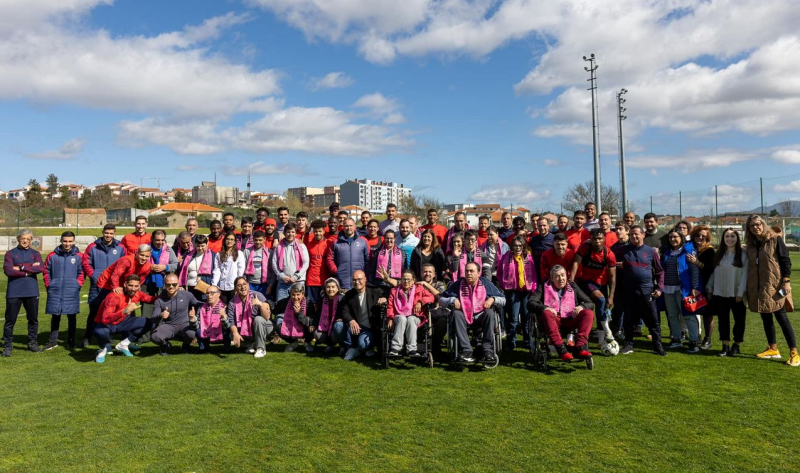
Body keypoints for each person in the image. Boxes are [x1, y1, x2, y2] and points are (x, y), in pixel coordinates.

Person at [744, 215, 798, 366]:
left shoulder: (775, 239)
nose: (756, 227)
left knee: (782, 318)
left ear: (763, 224)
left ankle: (794, 352)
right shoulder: (751, 244)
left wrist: (786, 281)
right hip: (759, 287)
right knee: (766, 317)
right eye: (752, 225)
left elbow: (785, 260)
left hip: (776, 286)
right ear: (749, 229)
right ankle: (773, 348)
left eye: (758, 224)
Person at [440, 261, 505, 364]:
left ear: (478, 273)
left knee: (490, 313)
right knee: (456, 314)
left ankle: (487, 350)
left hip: (481, 316)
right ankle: (467, 351)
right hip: (464, 317)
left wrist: (492, 299)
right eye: (467, 271)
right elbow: (441, 299)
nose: (469, 273)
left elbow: (503, 299)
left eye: (471, 271)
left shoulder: (486, 284)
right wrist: (452, 300)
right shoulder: (458, 284)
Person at [527, 265, 595, 361]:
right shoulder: (544, 286)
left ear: (566, 276)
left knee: (588, 313)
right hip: (553, 320)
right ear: (552, 278)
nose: (561, 279)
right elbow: (530, 303)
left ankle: (579, 347)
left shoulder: (573, 286)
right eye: (557, 276)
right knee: (546, 313)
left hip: (570, 319)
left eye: (563, 275)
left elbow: (590, 303)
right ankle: (561, 350)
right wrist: (545, 308)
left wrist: (581, 307)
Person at [618, 226, 666, 356]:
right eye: (632, 234)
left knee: (653, 320)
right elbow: (609, 255)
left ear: (643, 235)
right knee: (628, 319)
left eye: (636, 234)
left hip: (646, 290)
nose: (634, 237)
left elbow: (660, 271)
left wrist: (659, 288)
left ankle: (657, 345)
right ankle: (628, 344)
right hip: (629, 290)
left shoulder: (651, 251)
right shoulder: (623, 250)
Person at [93, 274, 156, 363]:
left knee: (150, 323)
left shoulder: (137, 293)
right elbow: (105, 319)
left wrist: (170, 294)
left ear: (139, 286)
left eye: (136, 286)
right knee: (101, 332)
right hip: (105, 325)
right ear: (125, 284)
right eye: (130, 285)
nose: (133, 288)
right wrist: (124, 311)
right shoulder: (114, 296)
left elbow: (151, 299)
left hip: (121, 323)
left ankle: (124, 344)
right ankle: (102, 350)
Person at [81, 224, 125, 348]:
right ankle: (87, 337)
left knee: (110, 312)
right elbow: (86, 263)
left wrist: (117, 281)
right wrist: (94, 276)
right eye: (106, 233)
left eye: (111, 233)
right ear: (102, 232)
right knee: (93, 312)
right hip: (97, 285)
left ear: (114, 233)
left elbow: (123, 264)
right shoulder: (93, 247)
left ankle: (108, 337)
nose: (108, 235)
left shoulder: (120, 247)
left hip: (113, 286)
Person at [570, 228, 617, 345]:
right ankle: (606, 330)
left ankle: (601, 340)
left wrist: (611, 297)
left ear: (604, 239)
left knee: (603, 307)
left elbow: (612, 278)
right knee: (600, 300)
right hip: (586, 282)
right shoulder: (585, 248)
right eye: (594, 238)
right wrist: (571, 281)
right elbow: (576, 263)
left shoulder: (609, 254)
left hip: (602, 284)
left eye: (600, 238)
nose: (597, 241)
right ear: (590, 239)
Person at [707, 228, 748, 357]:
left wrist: (740, 293)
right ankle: (725, 345)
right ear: (723, 239)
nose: (729, 239)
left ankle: (737, 344)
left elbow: (745, 275)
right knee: (723, 320)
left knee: (739, 320)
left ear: (737, 238)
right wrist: (710, 286)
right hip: (720, 293)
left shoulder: (743, 254)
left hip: (736, 294)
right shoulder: (719, 254)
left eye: (732, 236)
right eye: (727, 237)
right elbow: (714, 272)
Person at [660, 228, 702, 353]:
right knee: (672, 316)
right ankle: (676, 340)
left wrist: (694, 287)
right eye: (671, 237)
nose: (673, 239)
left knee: (689, 315)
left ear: (681, 238)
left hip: (684, 289)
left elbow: (694, 270)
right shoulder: (666, 253)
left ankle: (694, 342)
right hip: (668, 289)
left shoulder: (688, 251)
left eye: (675, 237)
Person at [43, 231, 84, 350]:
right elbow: (46, 271)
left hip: (71, 290)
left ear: (74, 241)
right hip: (55, 290)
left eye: (70, 241)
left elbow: (82, 272)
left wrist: (77, 284)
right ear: (61, 240)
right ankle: (53, 341)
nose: (67, 244)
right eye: (65, 241)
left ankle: (71, 341)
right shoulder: (52, 255)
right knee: (55, 315)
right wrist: (49, 284)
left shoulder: (79, 256)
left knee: (72, 316)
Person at [497, 236, 537, 350]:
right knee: (513, 318)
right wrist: (503, 284)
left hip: (525, 291)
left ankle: (527, 341)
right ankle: (511, 342)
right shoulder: (506, 257)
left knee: (526, 317)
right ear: (512, 247)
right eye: (515, 245)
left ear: (524, 246)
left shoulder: (528, 258)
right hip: (513, 291)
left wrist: (533, 288)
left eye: (520, 245)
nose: (518, 248)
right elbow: (500, 272)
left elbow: (533, 274)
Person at [340, 270, 386, 361]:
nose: (357, 282)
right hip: (356, 327)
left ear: (365, 279)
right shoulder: (349, 295)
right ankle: (350, 348)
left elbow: (390, 293)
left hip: (370, 328)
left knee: (362, 344)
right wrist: (351, 320)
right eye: (354, 280)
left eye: (359, 279)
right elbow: (344, 311)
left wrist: (385, 298)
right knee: (338, 327)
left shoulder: (375, 291)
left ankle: (365, 348)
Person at [387, 270, 434, 357]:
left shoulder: (419, 288)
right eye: (404, 279)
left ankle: (412, 349)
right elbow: (390, 306)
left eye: (409, 279)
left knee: (411, 319)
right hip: (398, 316)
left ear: (413, 281)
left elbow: (431, 297)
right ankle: (395, 348)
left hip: (415, 316)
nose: (406, 281)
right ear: (401, 280)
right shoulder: (394, 290)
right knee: (402, 318)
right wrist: (390, 318)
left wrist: (420, 301)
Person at [151, 274, 200, 355]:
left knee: (192, 334)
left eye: (174, 284)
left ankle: (186, 345)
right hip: (168, 325)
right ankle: (165, 344)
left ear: (178, 284)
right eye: (168, 284)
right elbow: (153, 319)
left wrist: (212, 301)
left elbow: (198, 303)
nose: (171, 286)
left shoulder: (187, 295)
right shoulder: (159, 300)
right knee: (155, 337)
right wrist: (161, 315)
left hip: (184, 324)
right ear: (164, 284)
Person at [227, 276, 275, 358]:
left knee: (258, 319)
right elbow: (231, 321)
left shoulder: (258, 295)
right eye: (239, 285)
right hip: (246, 331)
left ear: (248, 285)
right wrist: (235, 333)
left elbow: (267, 317)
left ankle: (261, 349)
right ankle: (253, 344)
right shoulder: (232, 303)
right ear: (235, 289)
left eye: (244, 284)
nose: (242, 287)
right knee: (232, 335)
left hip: (265, 327)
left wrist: (260, 304)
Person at [687, 225, 715, 349]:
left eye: (703, 236)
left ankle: (707, 339)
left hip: (706, 285)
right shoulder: (690, 248)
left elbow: (710, 269)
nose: (700, 237)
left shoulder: (709, 250)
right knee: (693, 310)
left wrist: (697, 263)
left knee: (707, 313)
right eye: (698, 235)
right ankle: (694, 336)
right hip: (692, 285)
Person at [142, 230, 178, 319]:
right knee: (147, 309)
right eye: (157, 240)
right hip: (147, 283)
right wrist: (149, 267)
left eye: (162, 240)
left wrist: (164, 267)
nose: (160, 242)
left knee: (163, 308)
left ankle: (161, 330)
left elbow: (176, 265)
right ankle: (146, 331)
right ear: (152, 239)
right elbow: (138, 264)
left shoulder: (169, 250)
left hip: (163, 284)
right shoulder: (145, 249)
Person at [327, 218, 369, 290]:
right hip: (342, 280)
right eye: (346, 226)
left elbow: (367, 259)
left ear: (354, 226)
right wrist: (337, 272)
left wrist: (363, 272)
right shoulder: (336, 242)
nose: (348, 228)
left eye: (351, 225)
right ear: (343, 227)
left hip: (358, 280)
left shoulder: (363, 241)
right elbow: (329, 259)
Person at [271, 222, 309, 302]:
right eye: (288, 232)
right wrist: (281, 275)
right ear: (284, 233)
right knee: (281, 306)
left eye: (292, 232)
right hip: (283, 282)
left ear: (296, 233)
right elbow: (274, 263)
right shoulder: (279, 247)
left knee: (298, 306)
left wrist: (296, 276)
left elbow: (306, 263)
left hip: (298, 281)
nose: (290, 234)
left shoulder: (301, 246)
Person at [176, 235, 220, 301]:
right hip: (190, 287)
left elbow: (217, 271)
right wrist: (180, 284)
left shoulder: (213, 255)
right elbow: (182, 270)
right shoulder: (189, 255)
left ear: (207, 244)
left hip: (204, 286)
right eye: (198, 246)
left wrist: (215, 286)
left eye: (202, 246)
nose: (200, 248)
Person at [418, 263, 448, 358]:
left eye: (430, 272)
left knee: (442, 321)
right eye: (425, 271)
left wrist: (426, 284)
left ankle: (436, 344)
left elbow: (440, 296)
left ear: (434, 274)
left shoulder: (439, 284)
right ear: (421, 273)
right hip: (419, 313)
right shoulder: (416, 283)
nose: (427, 274)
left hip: (435, 312)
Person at [275, 282, 315, 352]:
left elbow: (309, 322)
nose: (295, 297)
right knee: (278, 327)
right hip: (290, 326)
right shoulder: (285, 302)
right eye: (293, 295)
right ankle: (293, 343)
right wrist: (266, 303)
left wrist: (299, 313)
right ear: (290, 295)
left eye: (298, 295)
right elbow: (274, 307)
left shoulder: (309, 303)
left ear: (303, 294)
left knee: (311, 327)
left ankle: (307, 343)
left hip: (304, 327)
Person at [312, 278, 347, 354]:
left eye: (333, 287)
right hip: (326, 326)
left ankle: (343, 346)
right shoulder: (322, 299)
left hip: (338, 326)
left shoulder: (342, 299)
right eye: (328, 287)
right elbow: (318, 313)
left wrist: (342, 319)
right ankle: (330, 345)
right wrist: (314, 324)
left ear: (337, 288)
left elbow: (346, 312)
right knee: (317, 334)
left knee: (337, 328)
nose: (330, 289)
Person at [305, 219, 331, 309]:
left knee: (323, 306)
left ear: (324, 231)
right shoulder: (309, 244)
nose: (318, 233)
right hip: (311, 280)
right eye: (316, 231)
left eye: (320, 231)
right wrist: (306, 232)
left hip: (324, 280)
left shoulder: (328, 243)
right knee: (311, 306)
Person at [197, 284, 228, 352]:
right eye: (207, 293)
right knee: (198, 331)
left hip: (221, 331)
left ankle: (227, 348)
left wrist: (224, 318)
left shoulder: (224, 307)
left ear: (219, 294)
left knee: (227, 331)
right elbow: (196, 326)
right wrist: (192, 320)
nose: (209, 295)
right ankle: (204, 348)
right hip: (207, 331)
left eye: (212, 293)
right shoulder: (201, 308)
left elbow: (228, 326)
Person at [218, 232, 245, 304]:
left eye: (232, 239)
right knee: (223, 305)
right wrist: (215, 284)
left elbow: (240, 270)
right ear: (224, 240)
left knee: (233, 306)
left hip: (233, 286)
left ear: (234, 242)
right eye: (228, 239)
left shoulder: (239, 254)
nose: (229, 241)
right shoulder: (219, 254)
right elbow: (217, 270)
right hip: (222, 285)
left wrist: (238, 285)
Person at [243, 231, 272, 297]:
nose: (258, 242)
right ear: (253, 239)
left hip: (265, 284)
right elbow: (243, 269)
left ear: (264, 239)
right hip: (250, 283)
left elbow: (272, 271)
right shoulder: (247, 251)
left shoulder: (269, 252)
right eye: (256, 240)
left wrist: (270, 285)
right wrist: (245, 283)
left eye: (260, 240)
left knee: (264, 304)